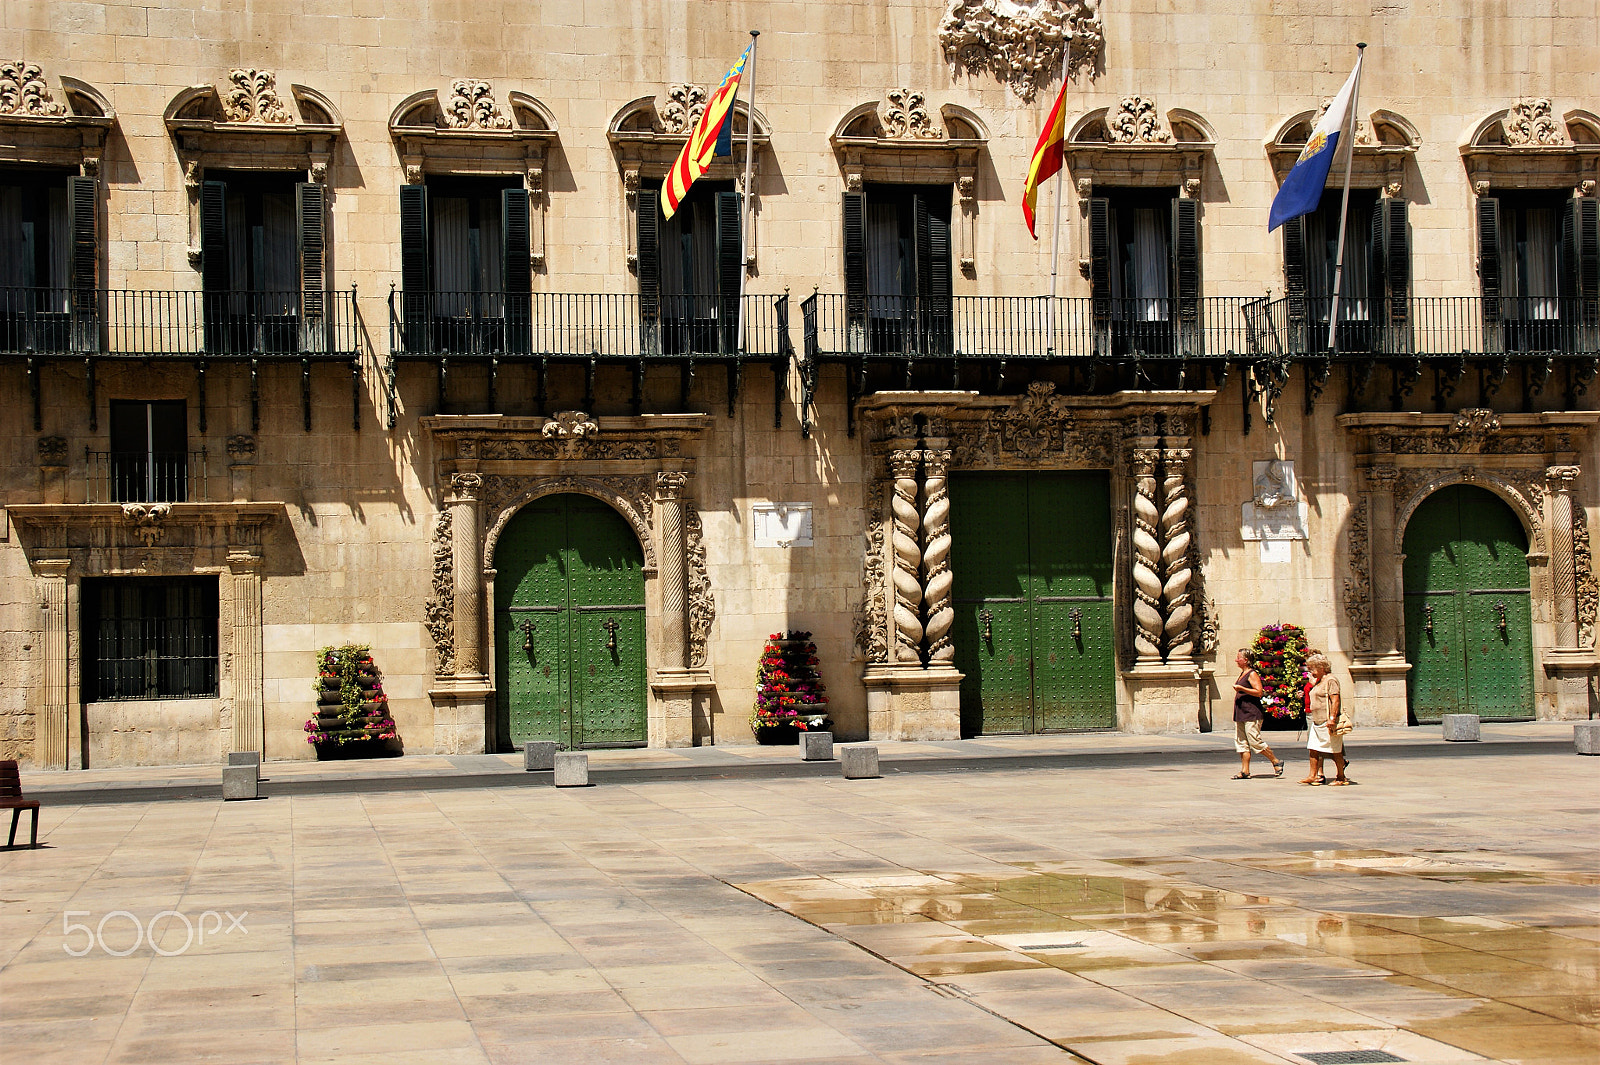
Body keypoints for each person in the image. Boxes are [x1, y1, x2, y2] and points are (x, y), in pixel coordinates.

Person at [1231, 648, 1284, 779]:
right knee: (1241, 742)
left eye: (1239, 658)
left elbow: (1259, 692)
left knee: (1254, 741)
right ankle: (1245, 770)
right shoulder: (1243, 673)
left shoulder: (1251, 674)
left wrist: (1242, 688)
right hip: (1241, 712)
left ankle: (1275, 761)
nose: (1236, 660)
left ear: (1246, 660)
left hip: (1251, 713)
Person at [1302, 652, 1351, 785]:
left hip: (1326, 721)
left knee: (1335, 750)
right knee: (1313, 748)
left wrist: (1332, 718)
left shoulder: (1331, 680)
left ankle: (1341, 777)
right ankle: (1313, 775)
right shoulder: (1318, 681)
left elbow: (1335, 700)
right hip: (1316, 720)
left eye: (1312, 668)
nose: (1311, 672)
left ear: (1321, 667)